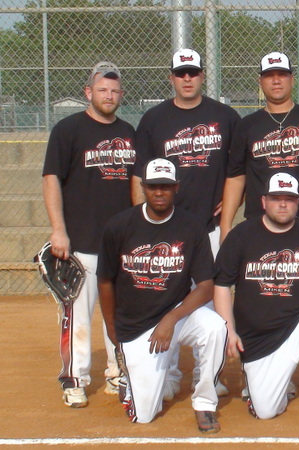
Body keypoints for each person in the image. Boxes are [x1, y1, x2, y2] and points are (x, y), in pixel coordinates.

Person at [131, 48, 240, 398]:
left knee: (209, 303)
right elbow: (140, 176)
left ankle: (208, 377)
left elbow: (239, 170)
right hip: (168, 228)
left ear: (203, 75)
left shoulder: (225, 117)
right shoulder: (154, 119)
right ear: (172, 78)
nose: (188, 78)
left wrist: (231, 207)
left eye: (193, 72)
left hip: (210, 226)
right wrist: (143, 223)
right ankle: (169, 373)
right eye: (181, 73)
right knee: (166, 298)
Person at [97, 158, 227, 433]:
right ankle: (130, 378)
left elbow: (206, 286)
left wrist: (171, 318)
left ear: (176, 187)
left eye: (165, 186)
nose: (159, 192)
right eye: (153, 186)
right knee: (144, 415)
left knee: (215, 327)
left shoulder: (192, 226)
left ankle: (205, 402)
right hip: (138, 324)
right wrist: (111, 328)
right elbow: (105, 280)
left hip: (178, 315)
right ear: (143, 187)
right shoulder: (119, 226)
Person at [213, 173, 299, 435]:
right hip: (259, 339)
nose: (283, 204)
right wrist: (228, 328)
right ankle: (279, 384)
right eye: (276, 198)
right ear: (264, 201)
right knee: (266, 411)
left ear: (298, 202)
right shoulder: (241, 235)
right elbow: (221, 286)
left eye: (289, 198)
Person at [42, 61, 135, 408]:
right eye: (101, 90)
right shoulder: (68, 130)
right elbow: (51, 179)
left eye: (114, 90)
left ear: (121, 94)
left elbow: (137, 185)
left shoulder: (129, 132)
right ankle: (75, 378)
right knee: (78, 315)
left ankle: (118, 371)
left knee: (120, 313)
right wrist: (59, 230)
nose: (108, 96)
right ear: (88, 92)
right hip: (81, 241)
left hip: (120, 244)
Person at [220, 51, 299, 251]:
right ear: (260, 81)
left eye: (282, 74)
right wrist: (225, 225)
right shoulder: (247, 126)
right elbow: (236, 178)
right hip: (260, 222)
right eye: (269, 75)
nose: (276, 80)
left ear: (292, 79)